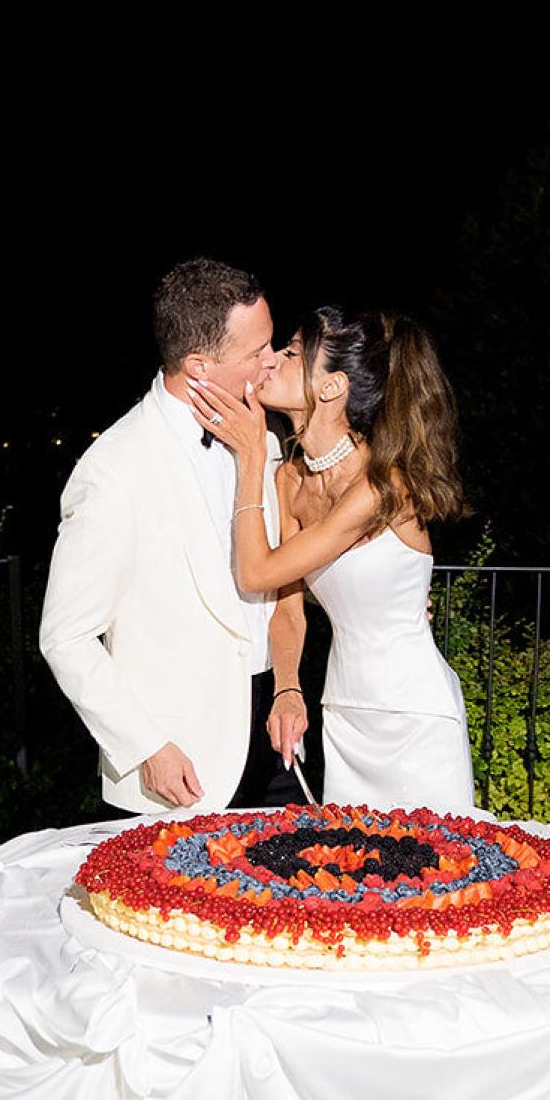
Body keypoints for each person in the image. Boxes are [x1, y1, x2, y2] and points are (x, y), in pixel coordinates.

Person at [39, 258, 308, 815]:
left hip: (277, 738)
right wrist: (147, 747)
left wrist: (289, 682)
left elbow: (278, 581)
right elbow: (65, 638)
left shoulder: (264, 439)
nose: (273, 360)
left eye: (273, 343)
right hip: (180, 767)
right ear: (199, 366)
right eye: (256, 351)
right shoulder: (114, 469)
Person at [189, 303, 474, 811]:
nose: (272, 360)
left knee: (434, 879)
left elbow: (255, 570)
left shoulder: (381, 486)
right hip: (342, 714)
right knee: (350, 877)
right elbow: (285, 602)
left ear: (332, 387)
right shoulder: (289, 481)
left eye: (293, 353)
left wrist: (251, 455)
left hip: (413, 715)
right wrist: (287, 689)